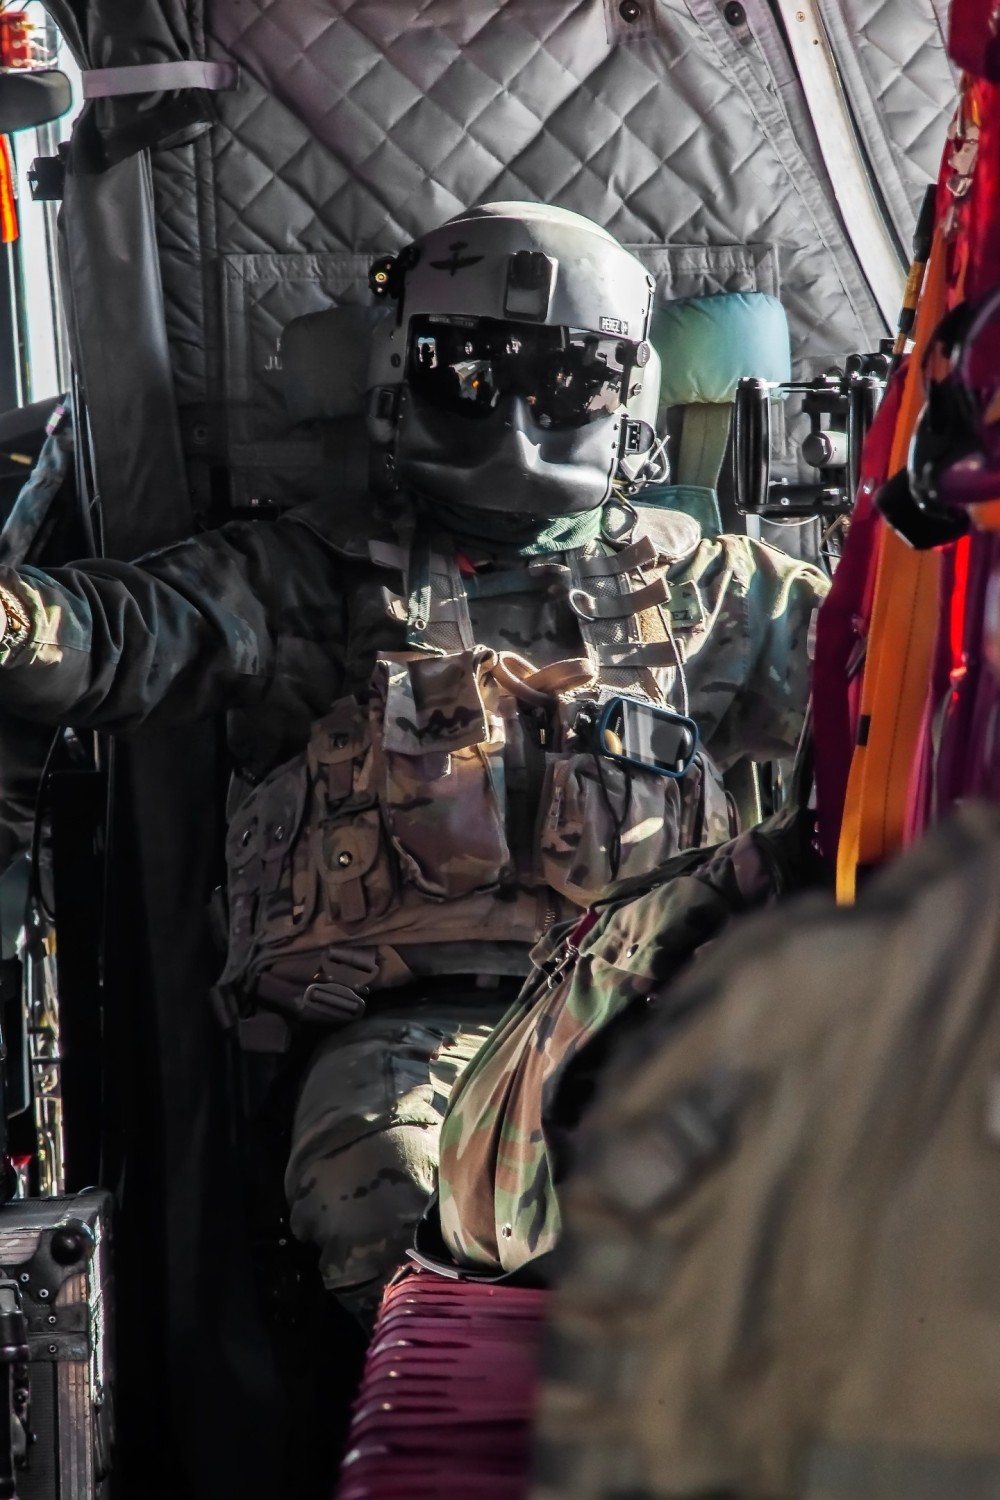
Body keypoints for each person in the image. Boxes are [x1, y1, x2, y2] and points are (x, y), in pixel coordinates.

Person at [0, 202, 827, 1321]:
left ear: (627, 394)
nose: (521, 420)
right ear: (399, 377)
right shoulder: (313, 577)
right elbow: (120, 634)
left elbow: (907, 674)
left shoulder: (718, 592)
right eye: (470, 374)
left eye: (571, 380)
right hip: (405, 1033)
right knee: (402, 1209)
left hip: (669, 1020)